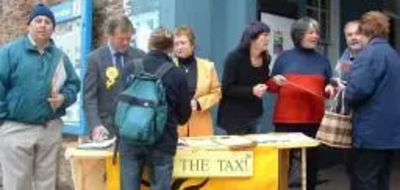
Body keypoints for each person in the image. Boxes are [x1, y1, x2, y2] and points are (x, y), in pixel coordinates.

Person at [0, 4, 80, 190]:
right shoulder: (9, 52)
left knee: (47, 184)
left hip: (49, 129)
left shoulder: (60, 57)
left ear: (53, 28)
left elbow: (74, 85)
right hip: (16, 129)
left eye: (48, 22)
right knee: (17, 185)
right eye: (38, 21)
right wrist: (4, 122)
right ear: (29, 25)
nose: (42, 25)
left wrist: (64, 98)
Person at [119, 27, 191, 190]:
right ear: (171, 48)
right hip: (162, 142)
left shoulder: (130, 68)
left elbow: (121, 102)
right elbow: (183, 117)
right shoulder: (176, 74)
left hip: (131, 138)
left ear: (149, 44)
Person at [267, 17, 333, 190]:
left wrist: (330, 88)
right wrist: (275, 82)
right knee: (283, 163)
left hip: (313, 119)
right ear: (299, 34)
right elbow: (271, 87)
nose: (315, 36)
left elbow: (328, 87)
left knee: (312, 164)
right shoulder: (284, 58)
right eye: (310, 32)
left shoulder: (323, 60)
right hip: (285, 119)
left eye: (317, 32)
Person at [345, 11, 400, 190]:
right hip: (390, 133)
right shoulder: (393, 55)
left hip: (369, 133)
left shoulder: (368, 55)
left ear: (364, 30)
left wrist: (345, 90)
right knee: (382, 181)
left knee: (364, 182)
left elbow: (357, 92)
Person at [83, 15, 145, 141]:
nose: (126, 43)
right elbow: (89, 98)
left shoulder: (140, 57)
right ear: (109, 36)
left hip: (134, 128)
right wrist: (96, 125)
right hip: (105, 130)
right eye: (121, 39)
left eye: (129, 39)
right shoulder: (94, 59)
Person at [217, 21, 271, 135]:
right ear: (252, 38)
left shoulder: (265, 58)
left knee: (255, 152)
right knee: (238, 152)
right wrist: (252, 91)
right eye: (264, 35)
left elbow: (263, 81)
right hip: (234, 117)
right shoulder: (234, 58)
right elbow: (226, 89)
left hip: (255, 115)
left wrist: (274, 79)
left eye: (268, 35)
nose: (268, 39)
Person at [174, 25, 221, 137]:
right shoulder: (169, 67)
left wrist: (199, 103)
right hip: (176, 128)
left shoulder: (208, 66)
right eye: (176, 44)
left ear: (192, 45)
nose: (179, 47)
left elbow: (217, 93)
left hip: (201, 127)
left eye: (183, 42)